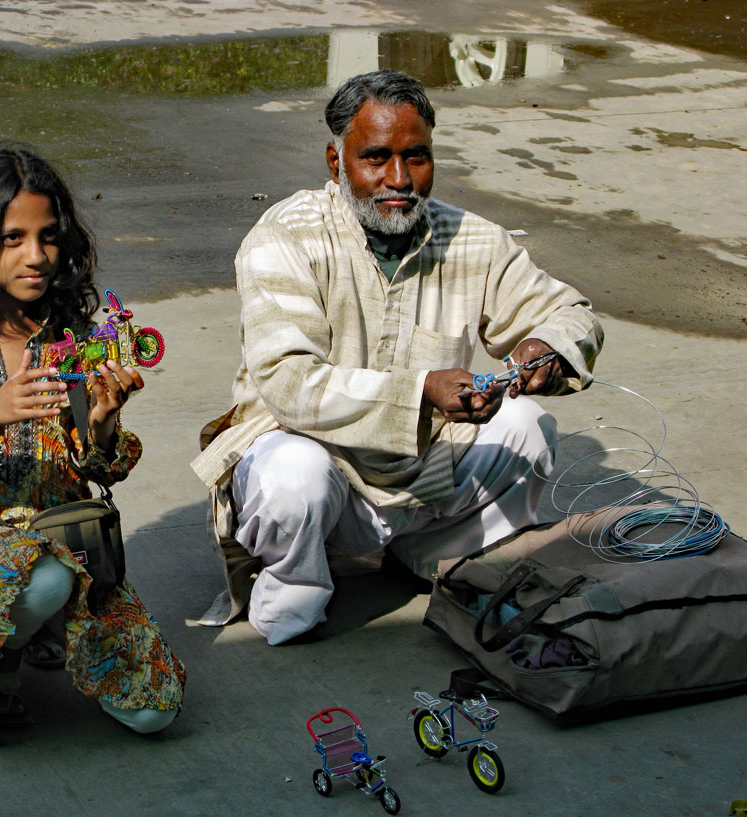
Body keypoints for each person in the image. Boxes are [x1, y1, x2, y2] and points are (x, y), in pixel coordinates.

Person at [191, 70, 603, 646]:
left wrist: (549, 348)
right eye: (376, 158)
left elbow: (571, 312)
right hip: (316, 464)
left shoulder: (472, 239)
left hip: (421, 470)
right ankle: (295, 583)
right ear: (336, 164)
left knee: (528, 429)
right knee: (293, 477)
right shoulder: (284, 238)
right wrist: (420, 390)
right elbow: (289, 383)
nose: (400, 179)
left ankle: (431, 556)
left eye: (417, 157)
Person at [0, 144, 185, 743]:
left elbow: (102, 465)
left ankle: (46, 626)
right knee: (44, 578)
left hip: (70, 532)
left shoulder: (75, 334)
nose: (36, 257)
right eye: (12, 238)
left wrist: (103, 422)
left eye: (48, 236)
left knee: (155, 712)